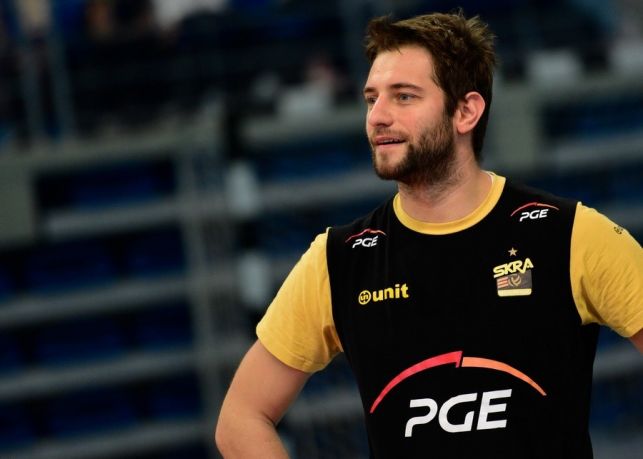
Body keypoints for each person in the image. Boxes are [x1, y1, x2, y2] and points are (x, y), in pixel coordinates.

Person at [215, 10, 643, 458]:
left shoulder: (569, 234)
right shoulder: (339, 259)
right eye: (371, 99)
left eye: (404, 97)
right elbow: (241, 418)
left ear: (466, 111)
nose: (378, 116)